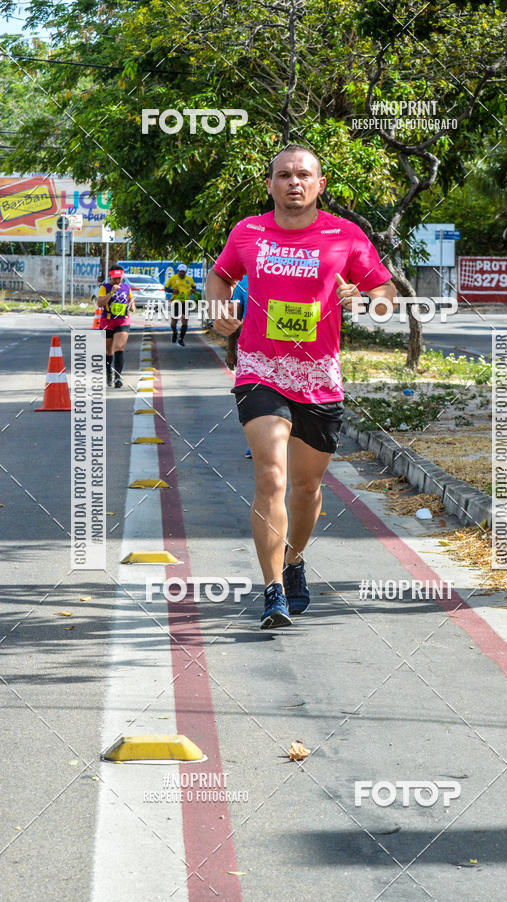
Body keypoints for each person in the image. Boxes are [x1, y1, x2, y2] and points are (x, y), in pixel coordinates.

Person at [207, 144, 395, 629]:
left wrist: (367, 304)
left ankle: (293, 560)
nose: (294, 182)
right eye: (284, 175)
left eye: (303, 175)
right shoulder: (248, 232)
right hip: (260, 368)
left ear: (319, 184)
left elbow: (384, 293)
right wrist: (218, 311)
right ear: (269, 184)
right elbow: (220, 277)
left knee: (307, 487)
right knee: (270, 475)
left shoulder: (345, 235)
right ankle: (272, 591)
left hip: (319, 376)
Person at [225, 275, 252, 460]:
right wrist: (230, 350)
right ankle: (254, 443)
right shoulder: (244, 282)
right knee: (250, 399)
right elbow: (234, 318)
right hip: (252, 354)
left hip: (291, 354)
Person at [98, 265, 136, 388]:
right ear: (110, 277)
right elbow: (100, 303)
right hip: (107, 321)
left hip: (122, 321)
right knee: (109, 351)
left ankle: (118, 377)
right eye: (115, 278)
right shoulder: (105, 288)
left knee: (119, 348)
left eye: (119, 278)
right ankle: (109, 373)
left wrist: (131, 305)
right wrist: (111, 293)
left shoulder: (127, 288)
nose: (117, 281)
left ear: (122, 277)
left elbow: (132, 305)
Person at [165, 263, 196, 346]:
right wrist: (172, 291)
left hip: (185, 302)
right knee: (174, 321)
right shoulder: (173, 278)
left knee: (185, 320)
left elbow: (194, 287)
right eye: (180, 271)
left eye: (183, 272)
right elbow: (166, 288)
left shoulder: (189, 279)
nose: (182, 273)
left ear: (186, 272)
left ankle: (181, 339)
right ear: (178, 271)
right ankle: (175, 332)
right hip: (176, 301)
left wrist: (193, 290)